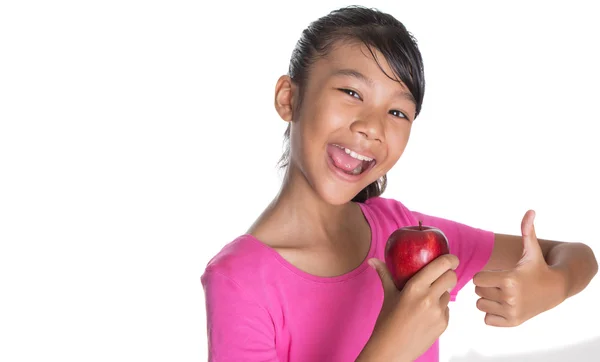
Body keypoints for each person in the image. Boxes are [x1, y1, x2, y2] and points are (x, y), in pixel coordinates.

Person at [200, 5, 598, 362]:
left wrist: (555, 284)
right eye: (351, 92)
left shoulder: (406, 236)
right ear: (289, 98)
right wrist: (391, 348)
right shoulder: (240, 281)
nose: (372, 126)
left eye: (397, 111)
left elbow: (576, 255)